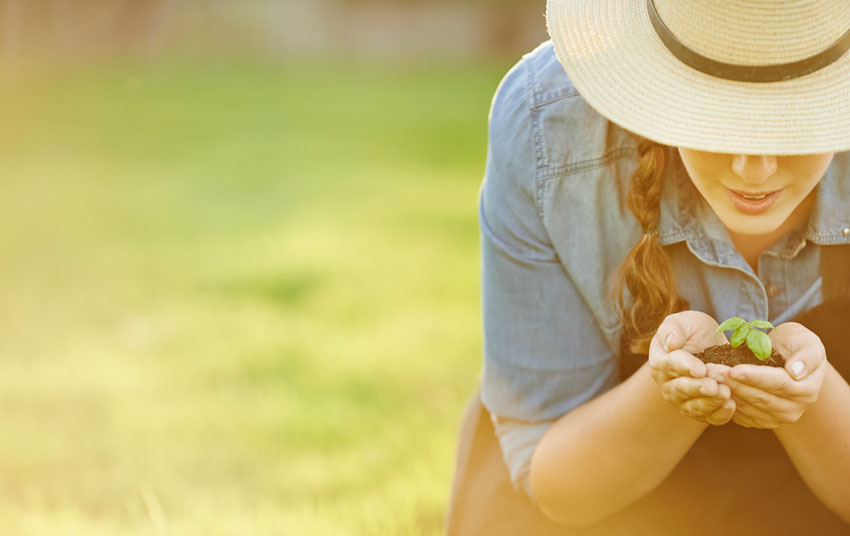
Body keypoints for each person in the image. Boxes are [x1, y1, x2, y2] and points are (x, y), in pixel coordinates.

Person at [449, 0, 850, 534]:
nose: (754, 168)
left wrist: (813, 396)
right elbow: (557, 489)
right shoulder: (551, 131)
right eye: (718, 111)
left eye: (795, 117)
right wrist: (669, 399)